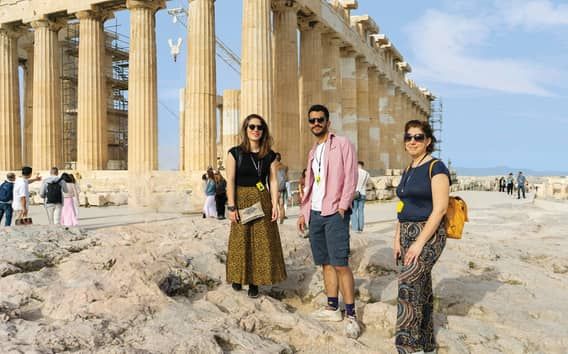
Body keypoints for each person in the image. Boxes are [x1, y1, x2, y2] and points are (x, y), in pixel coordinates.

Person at [297, 104, 360, 339]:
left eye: (320, 119)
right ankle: (333, 307)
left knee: (341, 263)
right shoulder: (313, 151)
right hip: (315, 212)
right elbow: (310, 183)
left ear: (328, 122)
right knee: (325, 263)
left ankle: (351, 314)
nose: (316, 123)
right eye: (312, 120)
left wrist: (343, 206)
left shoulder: (342, 144)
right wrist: (304, 212)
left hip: (334, 212)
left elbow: (350, 177)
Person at [394, 120, 450, 354]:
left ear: (428, 141)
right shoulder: (408, 169)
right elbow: (401, 205)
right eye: (409, 137)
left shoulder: (436, 167)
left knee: (408, 288)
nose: (413, 141)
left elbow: (440, 209)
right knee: (421, 289)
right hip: (406, 232)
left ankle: (408, 347)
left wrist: (418, 243)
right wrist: (397, 237)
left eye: (418, 137)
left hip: (428, 234)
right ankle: (427, 346)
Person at [225, 114, 287, 298]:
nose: (255, 130)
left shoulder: (270, 155)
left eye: (259, 127)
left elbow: (274, 180)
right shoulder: (234, 152)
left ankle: (254, 282)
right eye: (251, 127)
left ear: (264, 131)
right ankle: (237, 277)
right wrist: (231, 207)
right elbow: (230, 180)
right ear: (245, 129)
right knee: (240, 240)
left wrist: (276, 204)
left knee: (261, 242)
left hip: (262, 199)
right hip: (241, 198)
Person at [352, 161, 370, 232]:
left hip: (355, 193)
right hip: (363, 193)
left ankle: (355, 227)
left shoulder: (354, 172)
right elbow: (368, 183)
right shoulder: (367, 173)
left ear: (357, 165)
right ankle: (361, 227)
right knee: (361, 211)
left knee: (353, 211)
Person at [274, 152, 289, 224]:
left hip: (275, 189)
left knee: (274, 204)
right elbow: (286, 179)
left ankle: (275, 218)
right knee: (281, 205)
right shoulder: (285, 167)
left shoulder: (272, 167)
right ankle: (281, 221)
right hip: (282, 189)